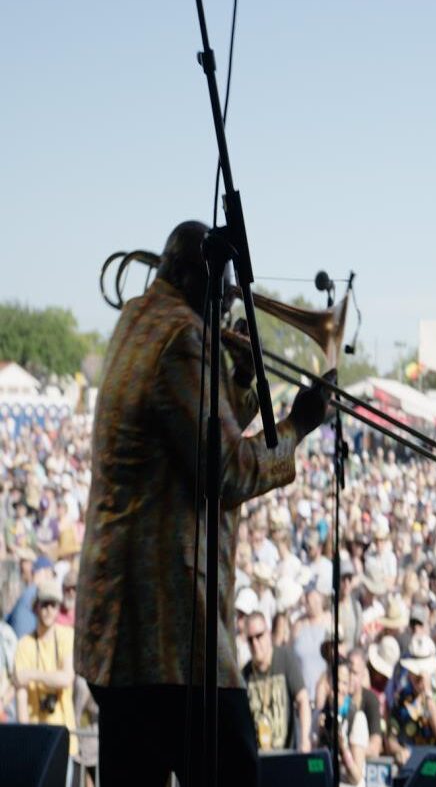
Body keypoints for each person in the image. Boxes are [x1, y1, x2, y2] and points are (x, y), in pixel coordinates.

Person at [74, 220, 331, 787]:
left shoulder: (139, 320)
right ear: (200, 280)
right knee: (233, 765)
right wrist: (298, 426)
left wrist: (236, 379)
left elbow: (192, 433)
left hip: (120, 630)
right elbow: (226, 471)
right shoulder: (182, 338)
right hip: (166, 632)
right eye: (225, 290)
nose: (230, 304)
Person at [14, 579, 76, 755]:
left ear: (58, 608)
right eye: (44, 604)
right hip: (35, 737)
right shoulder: (24, 644)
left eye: (53, 605)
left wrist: (32, 674)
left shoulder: (67, 636)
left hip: (65, 737)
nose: (49, 610)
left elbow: (66, 678)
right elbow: (20, 691)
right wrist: (24, 736)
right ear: (36, 607)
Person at [241, 610, 311, 752]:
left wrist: (305, 739)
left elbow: (303, 699)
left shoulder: (285, 658)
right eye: (250, 639)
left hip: (286, 753)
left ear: (268, 633)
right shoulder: (245, 673)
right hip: (258, 756)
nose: (255, 643)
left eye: (259, 636)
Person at [386, 634, 436, 763]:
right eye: (414, 673)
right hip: (409, 762)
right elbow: (391, 738)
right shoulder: (401, 698)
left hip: (433, 763)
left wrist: (427, 694)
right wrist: (399, 751)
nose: (418, 678)